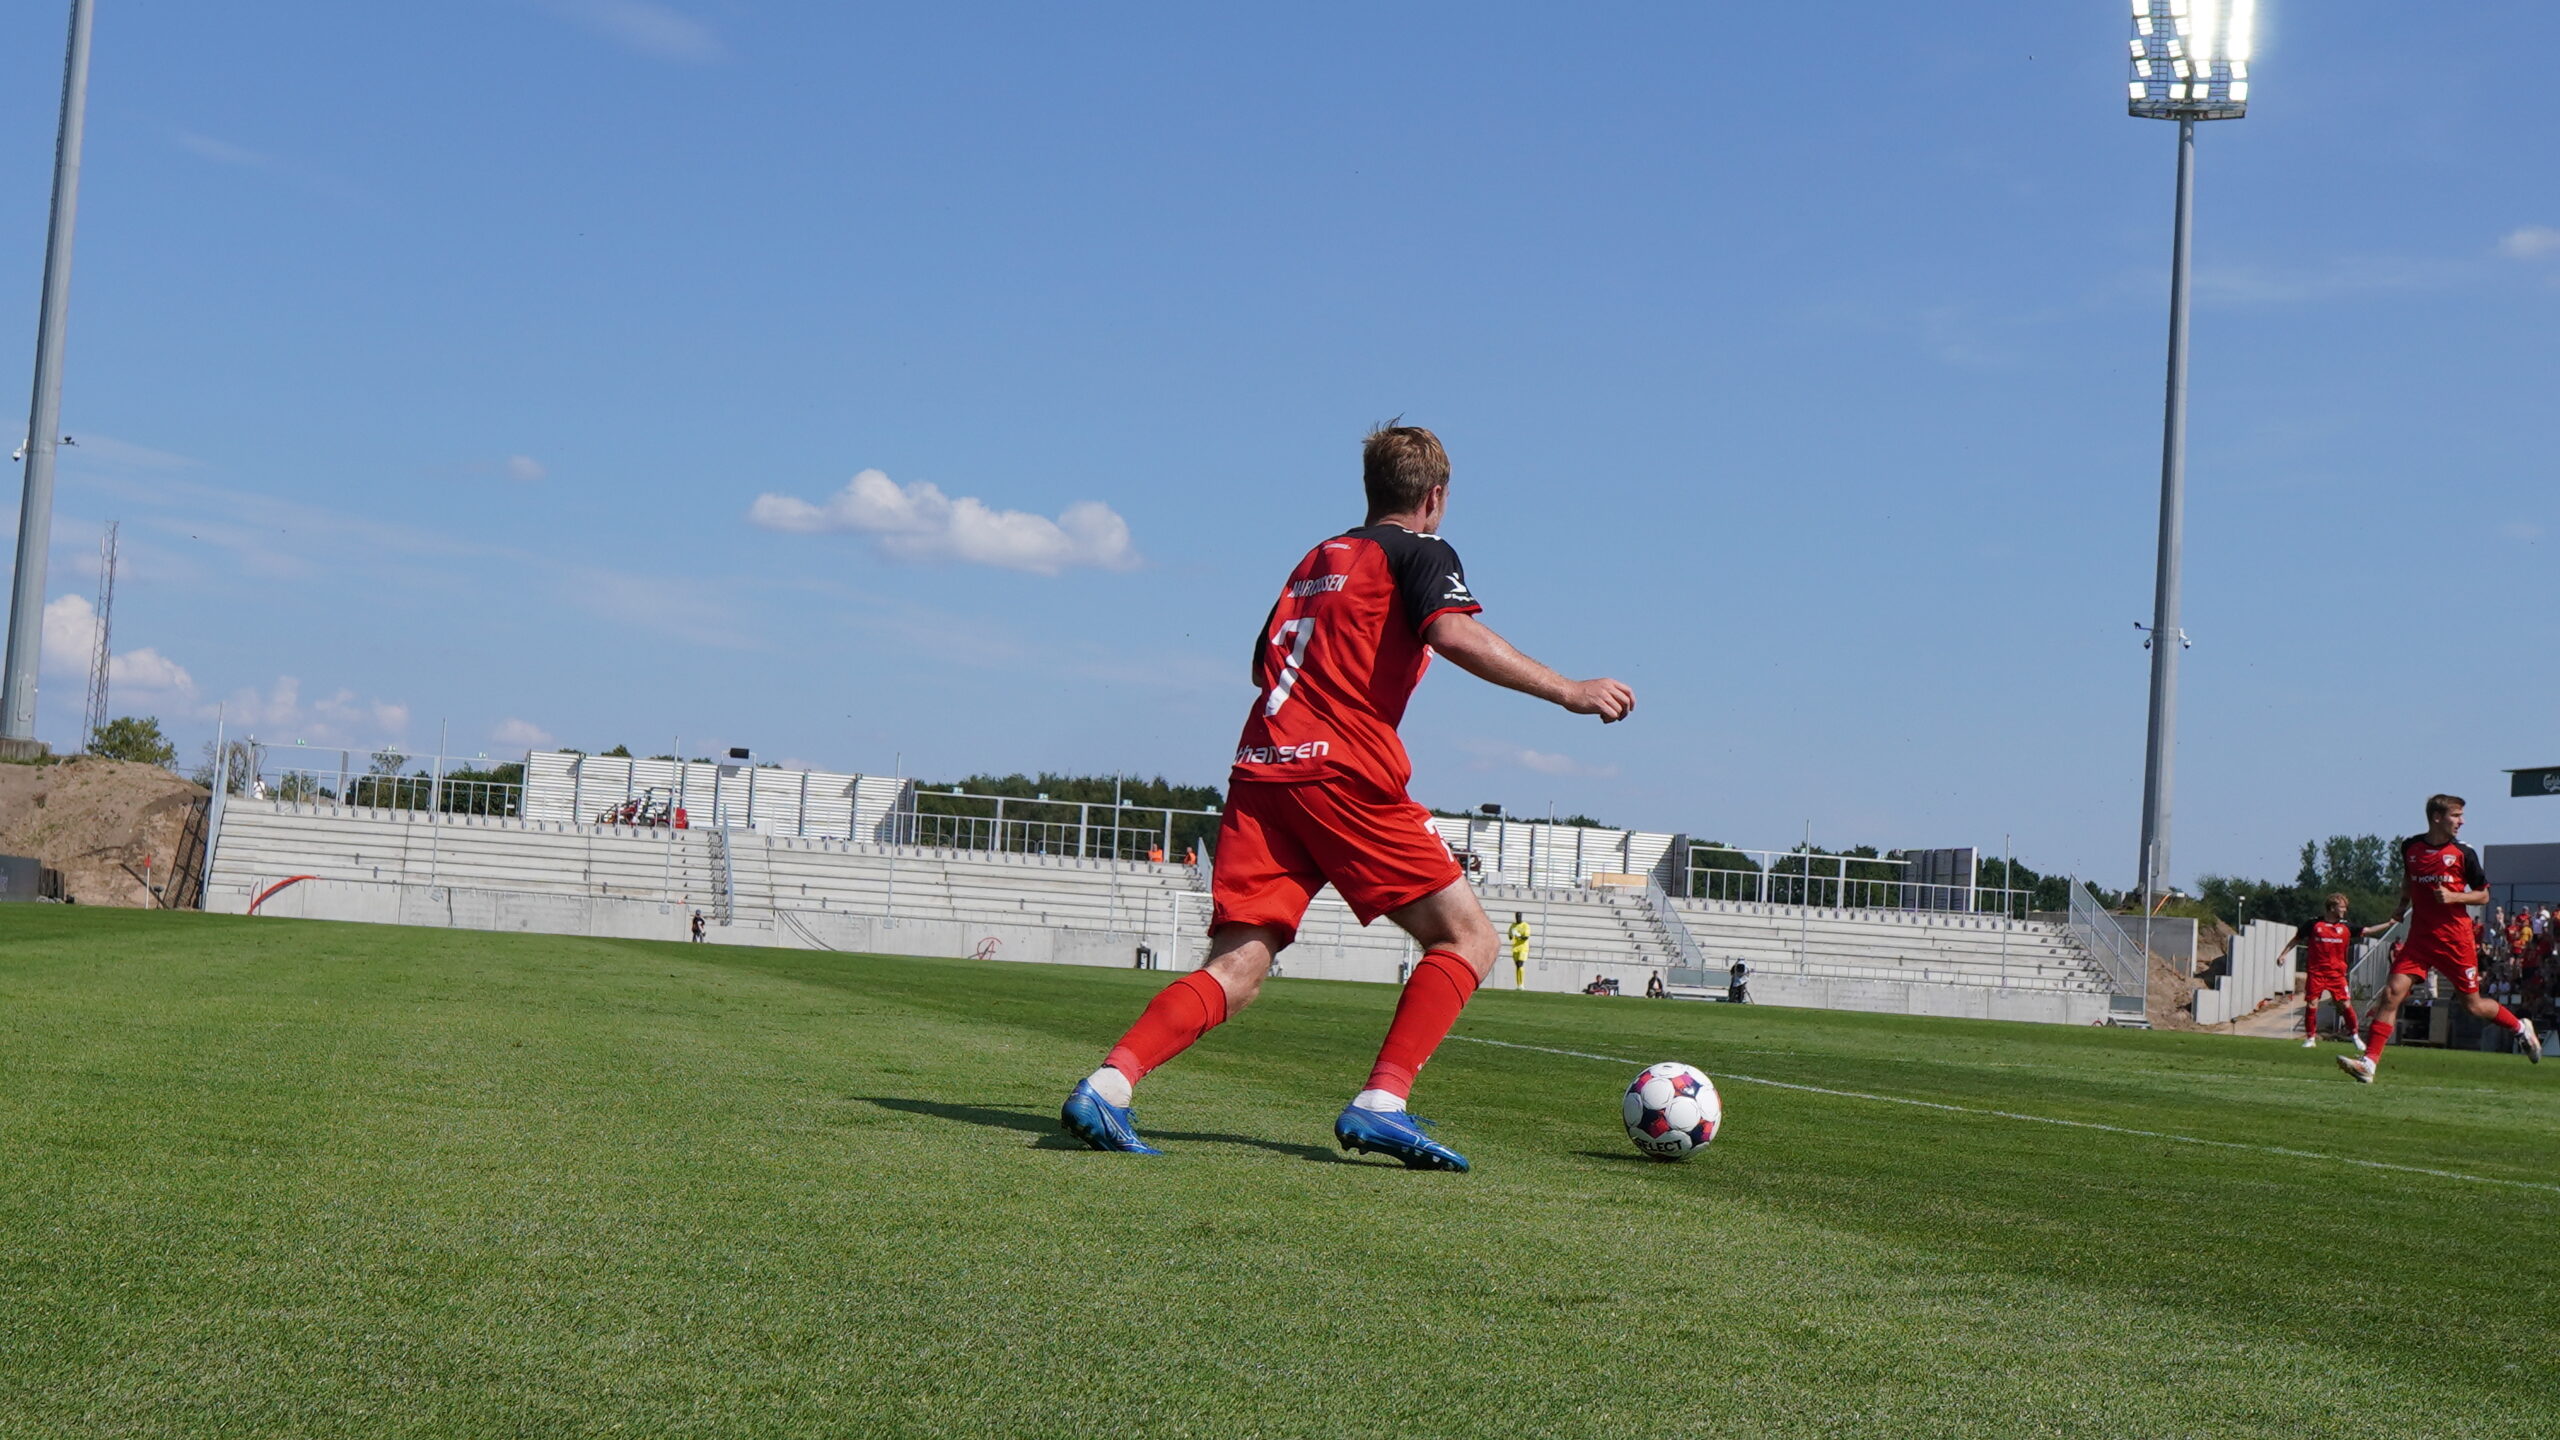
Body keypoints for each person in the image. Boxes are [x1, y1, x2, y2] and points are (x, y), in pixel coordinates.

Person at [1057, 423, 1634, 1169]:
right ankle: (1382, 1102)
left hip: (1262, 771)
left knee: (1239, 968)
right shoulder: (1421, 550)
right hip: (1340, 772)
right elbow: (1453, 634)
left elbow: (1263, 662)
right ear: (1434, 497)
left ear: (1370, 489)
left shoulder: (1314, 560)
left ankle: (1109, 1085)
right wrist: (1570, 690)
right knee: (1469, 938)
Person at [2340, 794, 2541, 1082]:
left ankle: (2520, 1028)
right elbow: (2409, 879)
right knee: (2391, 993)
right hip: (2420, 938)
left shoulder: (2464, 853)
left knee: (2473, 1005)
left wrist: (2454, 897)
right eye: (2456, 815)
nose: (2462, 821)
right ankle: (2368, 1064)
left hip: (2455, 940)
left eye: (2461, 816)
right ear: (2437, 817)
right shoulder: (2410, 847)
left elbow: (2483, 895)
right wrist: (2402, 905)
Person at [2272, 893, 2386, 1048]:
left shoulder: (2346, 926)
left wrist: (2390, 923)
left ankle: (2355, 1036)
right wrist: (2283, 955)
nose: (2345, 910)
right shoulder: (2313, 924)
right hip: (2316, 972)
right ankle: (2310, 1038)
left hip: (2337, 974)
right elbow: (2297, 939)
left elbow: (2369, 930)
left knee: (2345, 1004)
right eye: (2342, 907)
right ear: (2332, 908)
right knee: (2312, 1004)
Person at [1508, 912, 1531, 989]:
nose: (1518, 917)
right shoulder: (1513, 925)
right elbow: (1510, 938)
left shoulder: (1525, 925)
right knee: (1517, 966)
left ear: (1521, 917)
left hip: (1523, 948)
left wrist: (1518, 935)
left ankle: (1522, 984)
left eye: (1519, 916)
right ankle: (1518, 985)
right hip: (1515, 948)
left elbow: (1526, 937)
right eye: (1517, 916)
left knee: (1520, 964)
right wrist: (1512, 934)